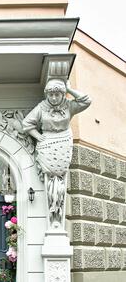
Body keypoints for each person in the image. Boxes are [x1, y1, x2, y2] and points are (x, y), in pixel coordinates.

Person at [22, 79, 91, 227]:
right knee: (50, 176)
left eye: (57, 94)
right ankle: (53, 210)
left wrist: (69, 89)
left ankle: (57, 210)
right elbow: (26, 124)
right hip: (47, 143)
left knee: (60, 176)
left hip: (64, 142)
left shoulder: (69, 106)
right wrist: (39, 136)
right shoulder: (42, 107)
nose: (53, 98)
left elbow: (86, 101)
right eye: (51, 94)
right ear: (47, 94)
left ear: (62, 94)